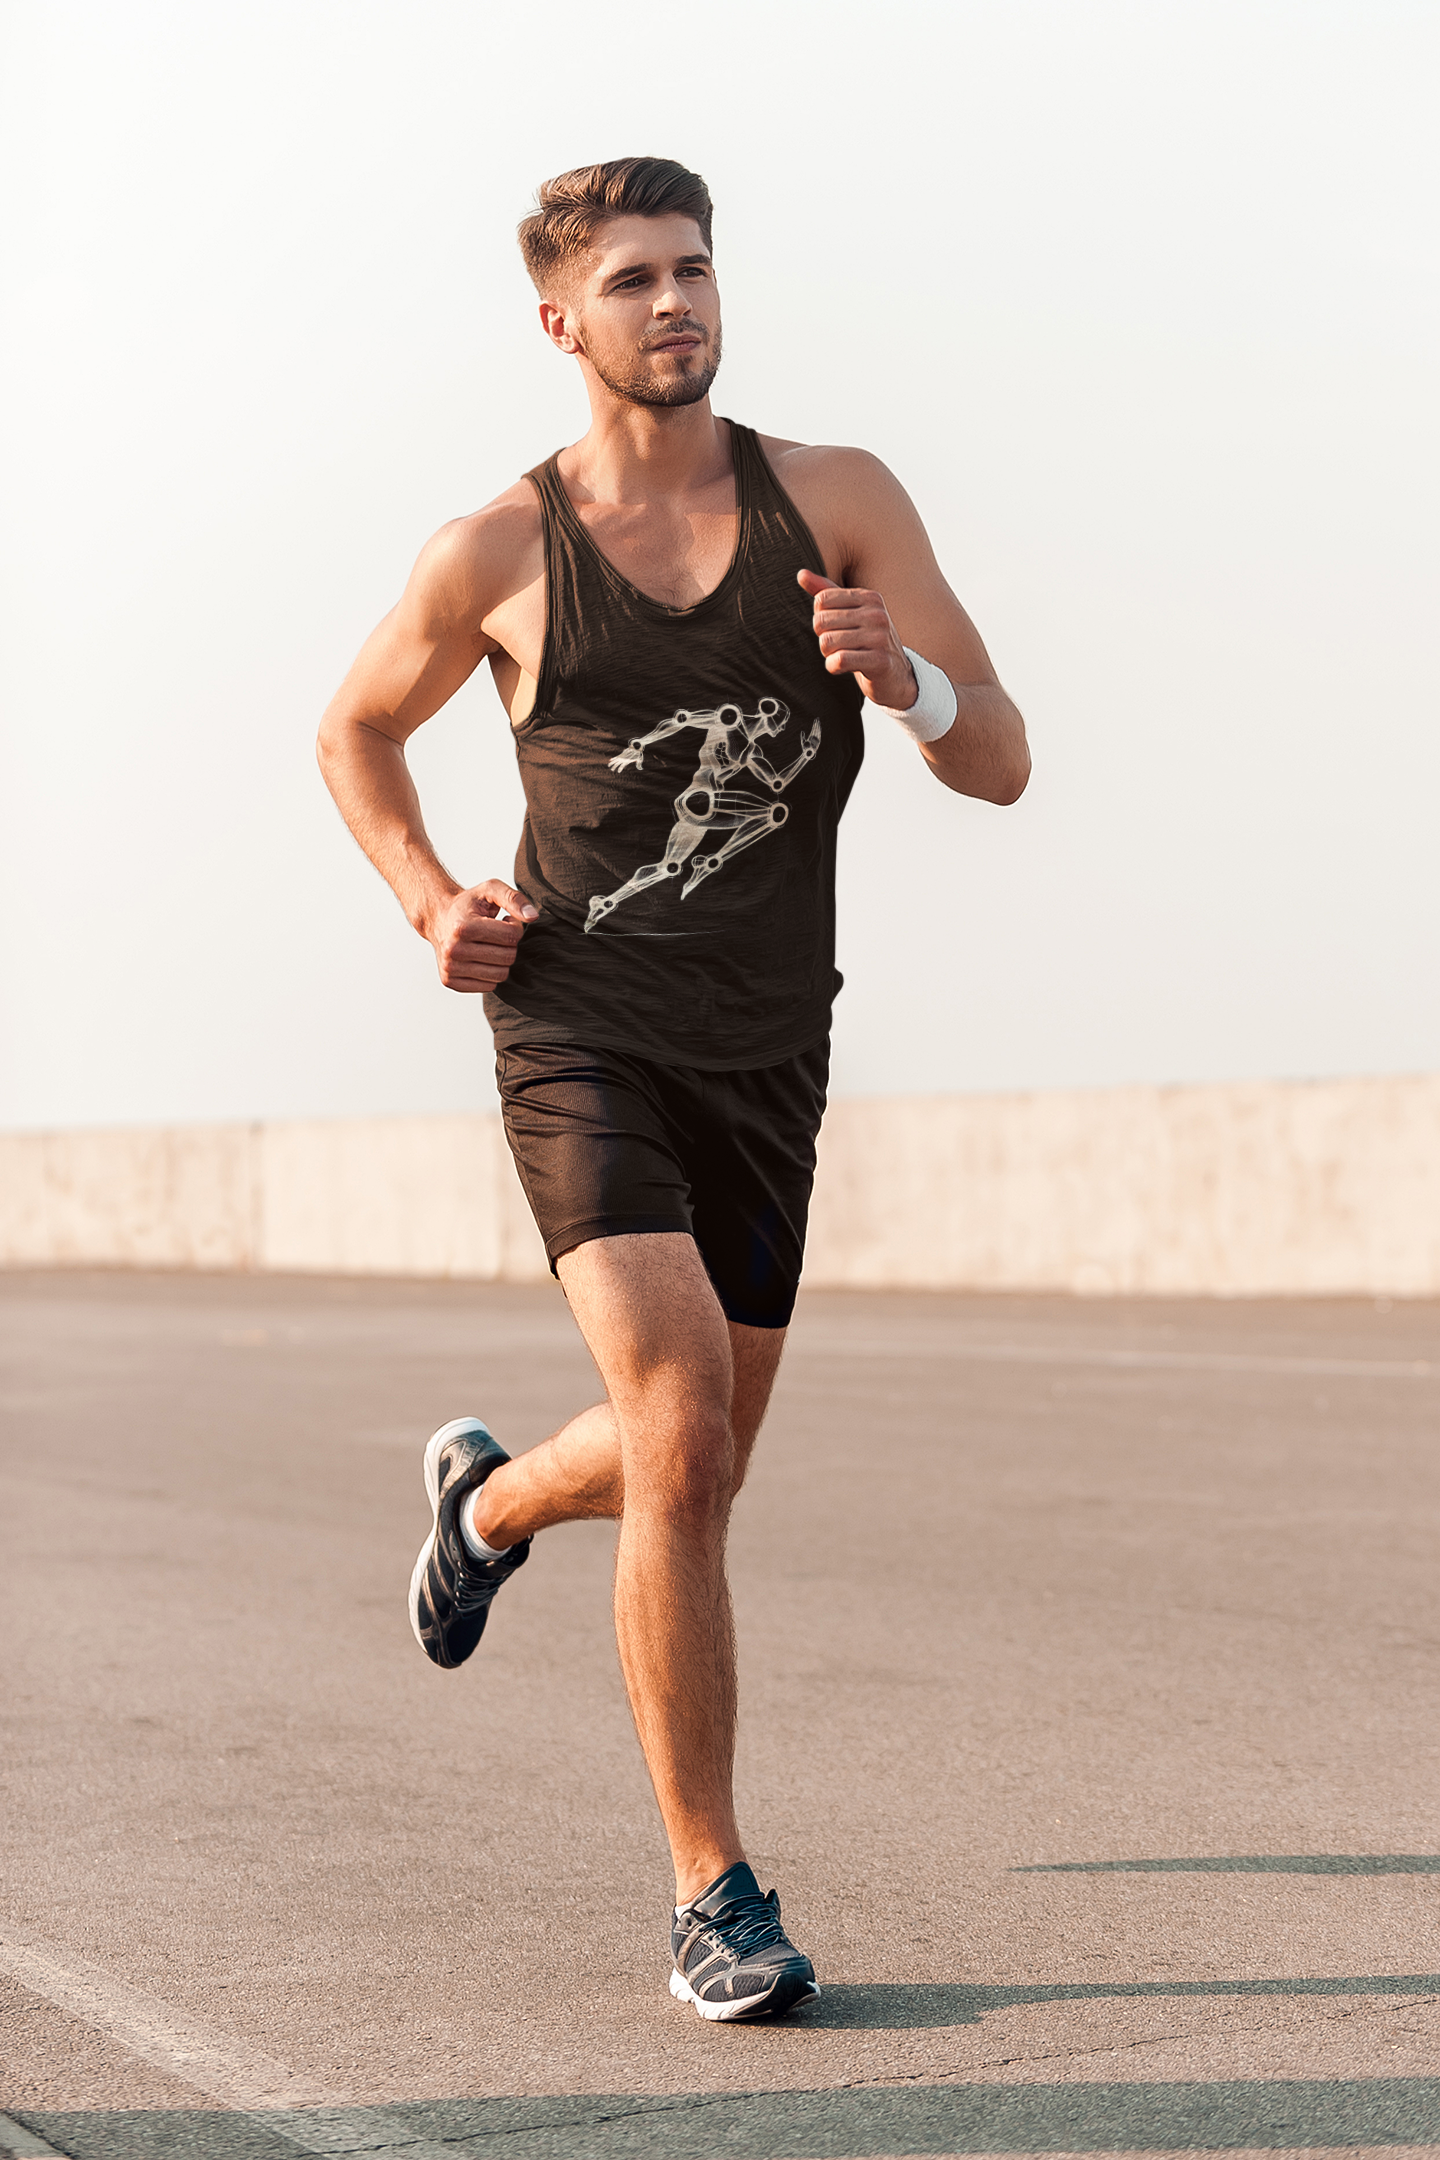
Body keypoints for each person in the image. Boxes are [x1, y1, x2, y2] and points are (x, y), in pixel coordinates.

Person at [317, 156, 1030, 2022]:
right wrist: (429, 901)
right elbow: (355, 729)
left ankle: (480, 1515)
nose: (675, 302)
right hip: (580, 1032)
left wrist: (914, 689)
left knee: (682, 1458)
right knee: (684, 1429)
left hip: (771, 1052)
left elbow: (1006, 760)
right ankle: (716, 1891)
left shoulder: (839, 500)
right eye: (631, 279)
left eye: (695, 268)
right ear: (563, 320)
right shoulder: (495, 552)